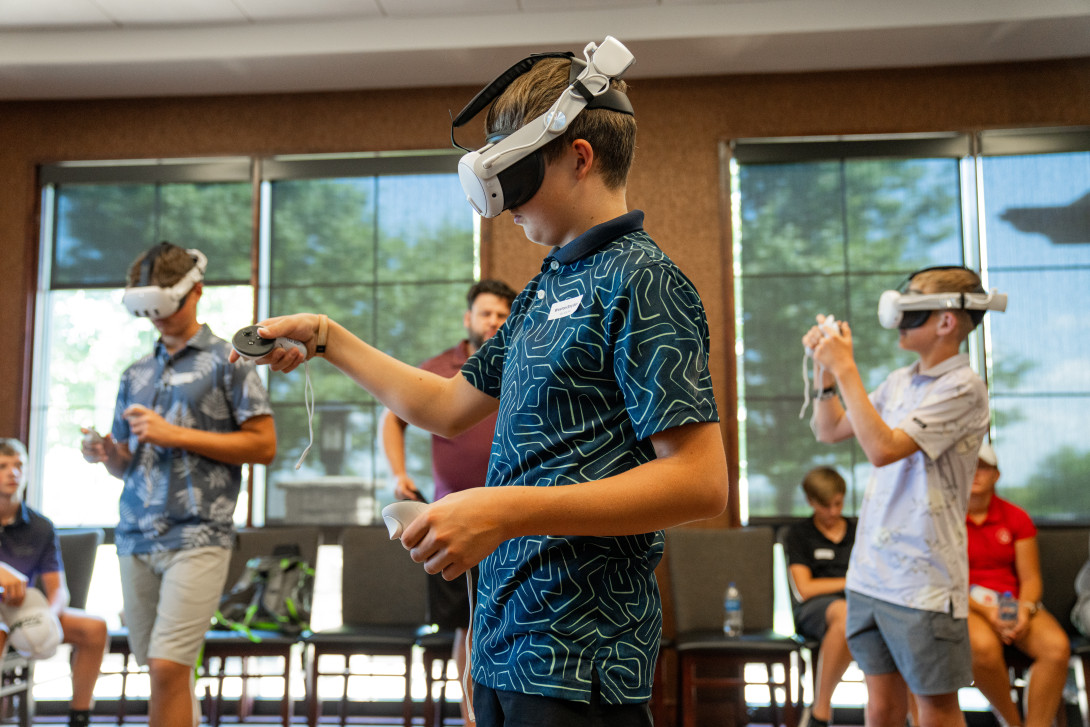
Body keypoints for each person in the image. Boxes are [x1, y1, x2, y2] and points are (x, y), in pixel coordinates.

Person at [232, 42, 728, 727]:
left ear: (579, 157)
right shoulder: (543, 289)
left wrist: (502, 510)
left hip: (579, 658)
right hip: (503, 642)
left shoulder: (644, 281)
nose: (501, 204)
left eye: (517, 175)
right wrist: (327, 337)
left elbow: (700, 482)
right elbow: (444, 405)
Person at [82, 242, 276, 727]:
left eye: (166, 308)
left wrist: (175, 434)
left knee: (169, 667)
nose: (158, 320)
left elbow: (264, 445)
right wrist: (108, 453)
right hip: (135, 537)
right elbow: (127, 464)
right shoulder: (136, 373)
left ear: (197, 292)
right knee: (162, 673)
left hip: (198, 535)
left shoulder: (230, 361)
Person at [803, 265, 998, 727]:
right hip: (871, 576)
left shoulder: (964, 388)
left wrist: (846, 366)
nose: (898, 321)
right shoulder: (899, 381)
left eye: (912, 311)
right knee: (881, 707)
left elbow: (883, 448)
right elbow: (828, 428)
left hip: (924, 584)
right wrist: (825, 372)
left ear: (946, 321)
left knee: (934, 708)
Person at [380, 277, 517, 724]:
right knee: (468, 626)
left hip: (514, 519)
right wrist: (400, 474)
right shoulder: (442, 367)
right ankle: (472, 715)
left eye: (501, 314)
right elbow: (393, 415)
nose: (493, 321)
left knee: (511, 624)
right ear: (468, 318)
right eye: (485, 313)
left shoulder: (523, 358)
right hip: (452, 520)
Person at [0, 438, 108, 727]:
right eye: (3, 466)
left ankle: (79, 717)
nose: (13, 473)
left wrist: (49, 614)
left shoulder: (41, 526)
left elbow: (58, 589)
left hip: (24, 610)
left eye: (19, 465)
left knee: (95, 628)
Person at [966, 441, 1070, 727]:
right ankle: (1012, 722)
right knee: (982, 647)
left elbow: (1031, 578)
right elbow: (944, 583)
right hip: (967, 605)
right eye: (970, 467)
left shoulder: (1015, 517)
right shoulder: (946, 520)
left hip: (1011, 600)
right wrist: (986, 613)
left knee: (1056, 647)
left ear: (996, 475)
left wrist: (1024, 609)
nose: (976, 474)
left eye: (983, 468)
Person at [784, 466, 856, 727]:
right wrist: (850, 581)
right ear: (811, 502)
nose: (833, 512)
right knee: (846, 614)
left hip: (860, 605)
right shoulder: (799, 535)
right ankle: (820, 711)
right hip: (814, 611)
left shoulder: (859, 529)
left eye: (837, 504)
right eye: (825, 506)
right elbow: (804, 589)